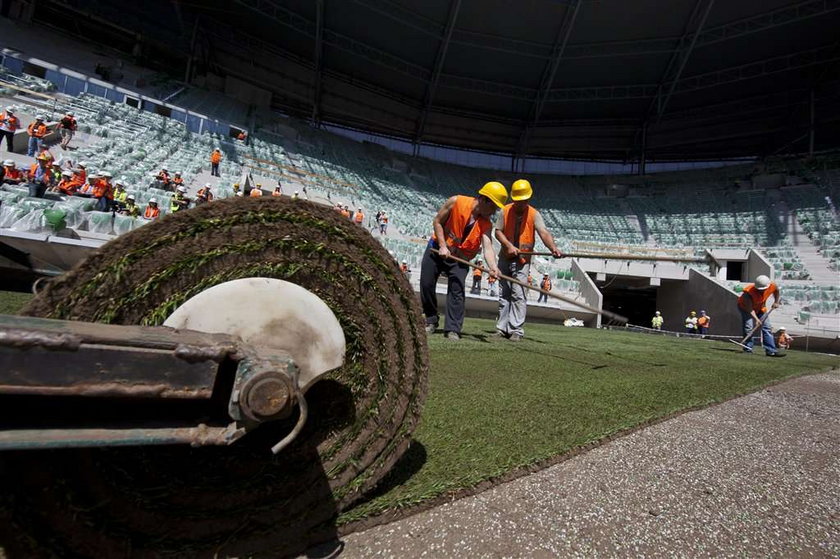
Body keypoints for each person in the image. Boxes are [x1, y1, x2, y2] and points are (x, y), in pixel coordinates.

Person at [420, 181, 507, 340]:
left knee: (457, 290)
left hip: (460, 258)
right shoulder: (456, 201)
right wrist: (442, 246)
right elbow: (437, 221)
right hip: (437, 248)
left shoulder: (486, 224)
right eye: (494, 207)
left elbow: (487, 246)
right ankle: (430, 319)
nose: (494, 211)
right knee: (426, 283)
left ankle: (453, 328)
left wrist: (493, 266)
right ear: (485, 199)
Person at [494, 179, 562, 341]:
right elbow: (498, 232)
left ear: (528, 199)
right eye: (518, 201)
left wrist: (553, 248)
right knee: (504, 293)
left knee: (518, 293)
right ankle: (502, 328)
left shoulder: (534, 214)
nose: (521, 203)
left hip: (523, 260)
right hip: (505, 256)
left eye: (524, 200)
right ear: (513, 199)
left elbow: (543, 232)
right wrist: (508, 245)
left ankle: (516, 329)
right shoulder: (505, 211)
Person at [737, 274, 785, 357]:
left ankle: (771, 351)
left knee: (767, 327)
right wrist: (756, 319)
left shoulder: (772, 285)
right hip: (746, 309)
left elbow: (776, 291)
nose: (761, 291)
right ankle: (747, 348)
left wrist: (776, 302)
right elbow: (750, 309)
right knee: (749, 327)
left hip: (761, 308)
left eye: (763, 289)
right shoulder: (747, 293)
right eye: (759, 290)